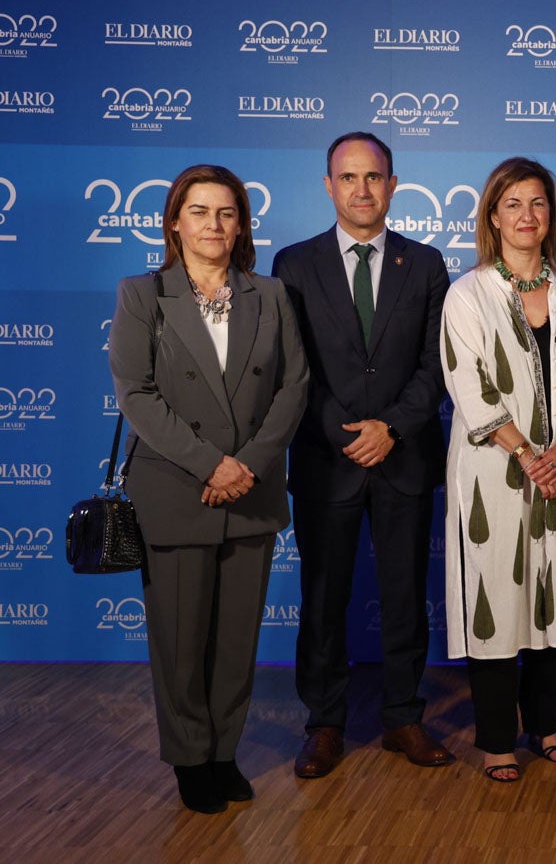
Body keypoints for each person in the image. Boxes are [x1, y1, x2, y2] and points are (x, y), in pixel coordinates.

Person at [108, 164, 309, 813]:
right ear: (174, 221)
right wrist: (210, 465)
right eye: (199, 211)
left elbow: (294, 387)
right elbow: (135, 392)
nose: (213, 224)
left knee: (234, 641)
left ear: (241, 224)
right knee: (179, 639)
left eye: (225, 213)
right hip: (177, 489)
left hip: (249, 488)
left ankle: (224, 752)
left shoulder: (270, 295)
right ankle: (190, 759)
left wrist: (244, 464)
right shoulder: (142, 294)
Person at [272, 132, 453, 777]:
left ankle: (404, 717)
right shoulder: (294, 265)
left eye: (373, 177)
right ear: (328, 186)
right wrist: (346, 431)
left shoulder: (426, 264)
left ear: (393, 184)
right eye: (348, 178)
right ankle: (323, 725)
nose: (362, 189)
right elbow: (293, 370)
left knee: (407, 594)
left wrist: (393, 428)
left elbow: (438, 367)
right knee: (323, 598)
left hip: (403, 456)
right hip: (327, 459)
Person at [439, 157, 556, 782]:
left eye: (537, 204)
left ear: (550, 216)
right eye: (513, 204)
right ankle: (497, 739)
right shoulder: (467, 293)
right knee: (496, 600)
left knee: (551, 599)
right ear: (492, 216)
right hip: (494, 475)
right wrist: (529, 455)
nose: (526, 216)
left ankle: (545, 724)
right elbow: (470, 387)